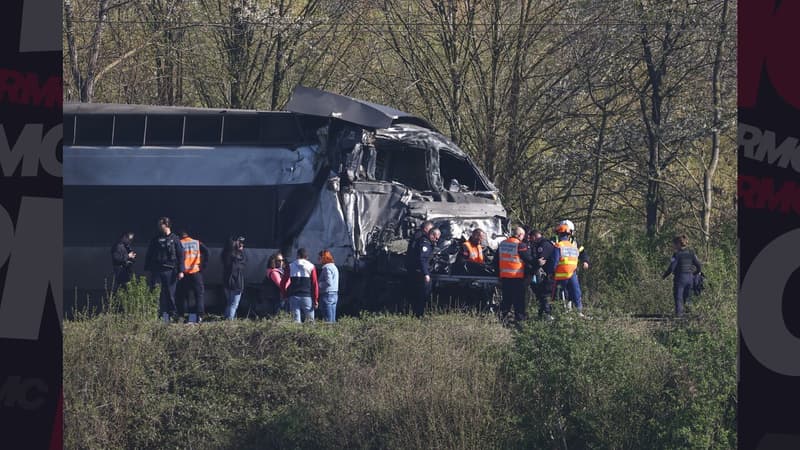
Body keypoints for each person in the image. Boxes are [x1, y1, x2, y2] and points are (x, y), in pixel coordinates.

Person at [144, 217, 185, 323]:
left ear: (166, 225)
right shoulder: (156, 239)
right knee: (156, 294)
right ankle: (158, 316)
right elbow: (149, 254)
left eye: (160, 224)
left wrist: (181, 270)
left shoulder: (175, 239)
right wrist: (147, 269)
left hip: (170, 270)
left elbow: (181, 255)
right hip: (157, 270)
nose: (159, 226)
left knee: (170, 295)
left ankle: (172, 316)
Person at [497, 226, 535, 322]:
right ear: (520, 235)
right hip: (516, 276)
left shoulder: (502, 243)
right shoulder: (520, 245)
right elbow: (528, 259)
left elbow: (496, 259)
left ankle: (503, 318)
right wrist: (537, 262)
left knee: (506, 299)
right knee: (519, 300)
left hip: (504, 276)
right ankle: (520, 320)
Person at [552, 220, 588, 317]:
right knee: (564, 294)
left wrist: (585, 261)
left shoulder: (572, 244)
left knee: (574, 293)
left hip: (567, 274)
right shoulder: (558, 243)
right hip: (565, 274)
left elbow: (582, 252)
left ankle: (575, 313)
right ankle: (566, 314)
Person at [662, 234, 703, 317]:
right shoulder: (691, 253)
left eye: (674, 244)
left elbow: (671, 268)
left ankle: (679, 317)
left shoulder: (677, 254)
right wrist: (695, 273)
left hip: (680, 279)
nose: (673, 246)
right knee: (688, 299)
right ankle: (690, 317)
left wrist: (664, 276)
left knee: (679, 298)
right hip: (690, 279)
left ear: (678, 244)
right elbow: (699, 266)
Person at [177, 230, 209, 323]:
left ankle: (182, 316)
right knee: (199, 295)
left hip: (184, 274)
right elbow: (207, 252)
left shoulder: (179, 243)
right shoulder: (196, 242)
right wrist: (203, 266)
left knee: (182, 296)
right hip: (196, 272)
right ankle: (199, 316)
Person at [409, 227, 441, 317]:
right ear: (432, 235)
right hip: (422, 273)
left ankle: (420, 312)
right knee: (423, 294)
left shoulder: (428, 243)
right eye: (436, 238)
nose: (437, 240)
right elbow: (422, 260)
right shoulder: (425, 244)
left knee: (424, 293)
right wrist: (426, 274)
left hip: (423, 271)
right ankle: (419, 314)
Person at [282, 248, 319, 323]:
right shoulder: (311, 266)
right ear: (306, 257)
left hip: (293, 296)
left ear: (297, 255)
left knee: (296, 321)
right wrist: (315, 299)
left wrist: (285, 295)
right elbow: (314, 284)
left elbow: (283, 282)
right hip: (307, 296)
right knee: (310, 321)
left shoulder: (290, 266)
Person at [529, 229, 556, 320]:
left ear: (534, 236)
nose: (531, 240)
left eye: (531, 238)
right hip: (549, 274)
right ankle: (541, 315)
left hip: (551, 274)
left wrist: (533, 268)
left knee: (545, 294)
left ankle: (548, 315)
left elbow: (541, 261)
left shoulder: (544, 245)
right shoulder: (542, 243)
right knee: (541, 293)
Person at [221, 236, 247, 320]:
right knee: (234, 304)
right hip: (236, 282)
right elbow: (244, 262)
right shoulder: (237, 257)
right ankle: (229, 321)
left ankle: (227, 318)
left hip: (226, 281)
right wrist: (241, 251)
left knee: (229, 303)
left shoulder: (225, 254)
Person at [318, 249, 340, 323]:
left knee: (328, 320)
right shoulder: (334, 267)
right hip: (334, 294)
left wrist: (319, 284)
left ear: (324, 258)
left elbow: (328, 282)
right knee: (332, 319)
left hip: (327, 294)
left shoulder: (326, 268)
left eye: (319, 258)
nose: (318, 260)